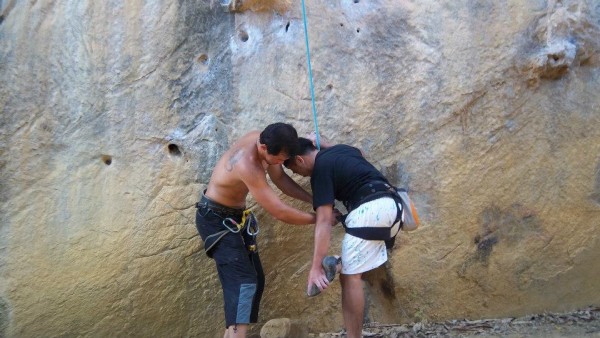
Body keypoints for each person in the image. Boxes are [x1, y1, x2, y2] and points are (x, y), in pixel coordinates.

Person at [195, 123, 333, 338]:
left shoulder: (266, 141)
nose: (280, 165)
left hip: (234, 217)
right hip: (215, 220)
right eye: (277, 160)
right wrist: (320, 219)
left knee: (254, 279)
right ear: (262, 147)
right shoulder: (246, 164)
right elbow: (279, 212)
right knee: (243, 281)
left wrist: (316, 202)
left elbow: (281, 180)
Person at [283, 135, 404, 338]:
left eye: (297, 171)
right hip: (394, 208)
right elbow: (360, 153)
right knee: (353, 267)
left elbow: (323, 221)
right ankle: (338, 263)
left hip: (370, 211)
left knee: (350, 278)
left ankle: (353, 336)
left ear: (299, 160)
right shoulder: (343, 150)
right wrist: (325, 143)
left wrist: (315, 268)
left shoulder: (319, 170)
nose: (301, 175)